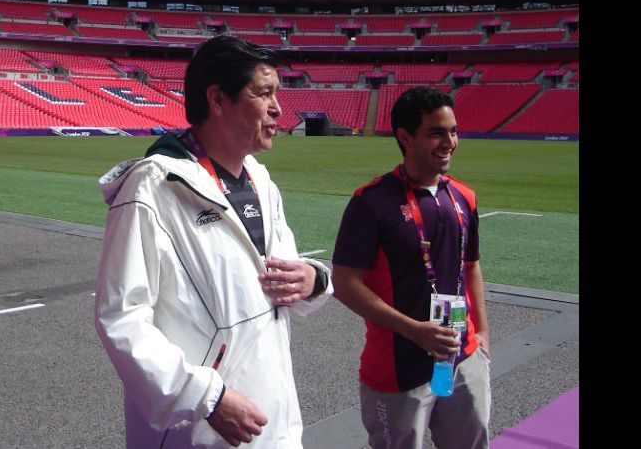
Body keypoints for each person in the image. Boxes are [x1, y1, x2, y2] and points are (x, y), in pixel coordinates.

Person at [94, 35, 332, 448]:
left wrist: (314, 279)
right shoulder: (152, 187)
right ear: (218, 100)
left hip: (273, 419)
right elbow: (122, 316)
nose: (279, 108)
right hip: (197, 428)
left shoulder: (260, 178)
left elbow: (283, 276)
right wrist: (208, 397)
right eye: (264, 93)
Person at [331, 86, 491, 449]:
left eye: (452, 131)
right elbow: (345, 283)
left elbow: (472, 266)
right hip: (397, 368)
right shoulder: (371, 203)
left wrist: (482, 335)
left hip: (461, 355)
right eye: (436, 132)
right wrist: (414, 330)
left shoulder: (464, 196)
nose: (449, 141)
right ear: (405, 137)